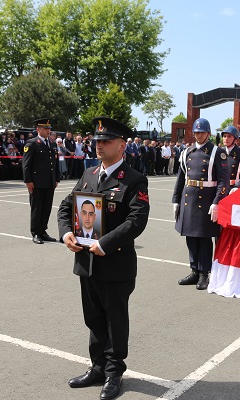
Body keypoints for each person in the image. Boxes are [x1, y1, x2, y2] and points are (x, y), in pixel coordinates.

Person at [58, 116, 149, 400]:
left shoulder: (134, 180)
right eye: (96, 141)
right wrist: (66, 235)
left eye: (106, 141)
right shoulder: (89, 174)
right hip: (87, 262)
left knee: (114, 321)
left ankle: (113, 372)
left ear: (122, 146)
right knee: (93, 318)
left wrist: (105, 243)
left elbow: (137, 220)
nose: (99, 145)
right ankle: (97, 367)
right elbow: (65, 208)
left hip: (114, 263)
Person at [172, 118, 229, 290]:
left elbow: (223, 181)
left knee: (204, 238)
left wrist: (217, 202)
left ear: (209, 134)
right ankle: (194, 270)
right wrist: (175, 200)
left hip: (206, 200)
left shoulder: (217, 152)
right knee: (190, 236)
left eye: (202, 132)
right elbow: (181, 178)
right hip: (189, 198)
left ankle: (205, 273)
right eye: (196, 132)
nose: (199, 135)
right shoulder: (187, 152)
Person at [22, 118, 60, 244]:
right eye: (45, 128)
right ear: (38, 129)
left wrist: (56, 178)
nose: (48, 130)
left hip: (49, 182)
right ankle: (36, 233)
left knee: (46, 208)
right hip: (37, 182)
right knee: (37, 208)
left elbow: (55, 164)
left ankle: (43, 231)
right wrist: (28, 181)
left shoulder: (52, 144)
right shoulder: (32, 143)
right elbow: (26, 164)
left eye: (49, 128)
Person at [221, 125, 240, 193]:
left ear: (235, 139)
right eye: (224, 136)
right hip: (220, 189)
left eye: (229, 136)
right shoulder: (219, 152)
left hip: (234, 189)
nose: (226, 139)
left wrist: (238, 187)